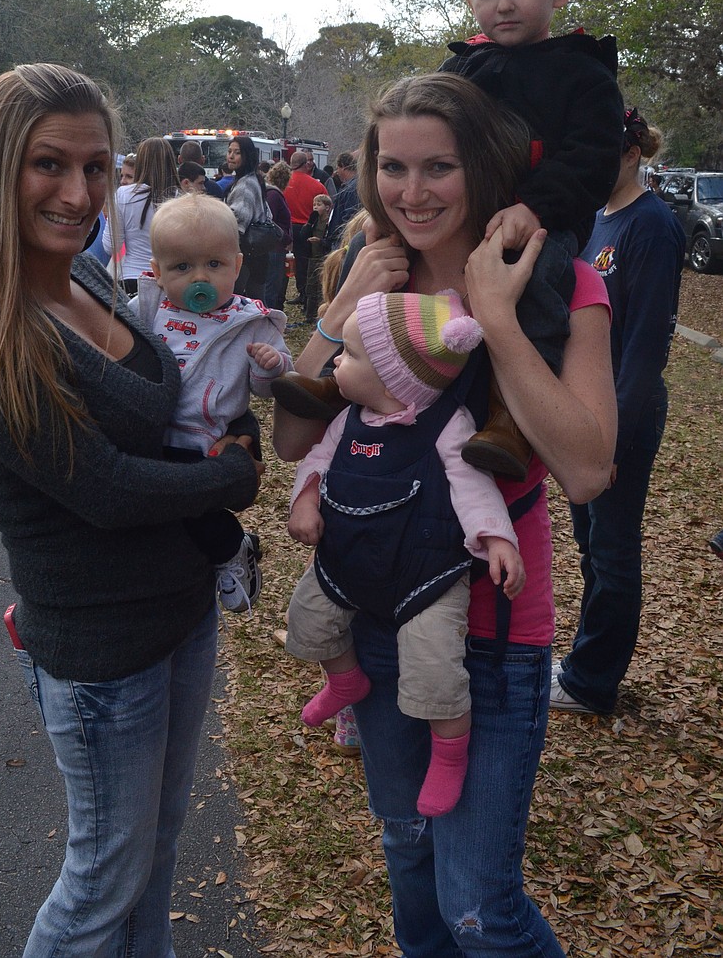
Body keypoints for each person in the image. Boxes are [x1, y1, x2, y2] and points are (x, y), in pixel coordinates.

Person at [0, 63, 262, 958]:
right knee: (103, 879)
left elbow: (180, 396)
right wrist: (231, 477)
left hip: (181, 612)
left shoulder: (94, 279)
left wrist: (242, 408)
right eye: (49, 164)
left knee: (156, 855)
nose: (78, 192)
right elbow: (105, 487)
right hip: (102, 646)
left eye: (97, 167)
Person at [273, 72, 616, 957]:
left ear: (485, 167)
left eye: (439, 167)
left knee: (480, 910)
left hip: (494, 638)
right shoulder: (362, 272)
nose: (412, 192)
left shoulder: (562, 282)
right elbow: (292, 436)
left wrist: (495, 315)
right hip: (376, 616)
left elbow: (587, 469)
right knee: (411, 860)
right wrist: (340, 309)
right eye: (393, 167)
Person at [286, 289, 525, 817]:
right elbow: (316, 461)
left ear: (392, 379)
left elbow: (473, 485)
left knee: (435, 667)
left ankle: (449, 752)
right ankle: (345, 679)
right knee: (308, 618)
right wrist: (305, 499)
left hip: (426, 572)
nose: (337, 363)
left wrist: (497, 539)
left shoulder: (447, 424)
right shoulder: (348, 419)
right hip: (349, 559)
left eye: (349, 354)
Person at [440, 0, 624, 478]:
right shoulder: (461, 70)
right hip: (461, 218)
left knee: (539, 281)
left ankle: (512, 419)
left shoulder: (583, 74)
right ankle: (351, 370)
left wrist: (533, 207)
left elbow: (591, 160)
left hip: (543, 225)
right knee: (377, 255)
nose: (504, 2)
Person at [551, 108, 685, 716]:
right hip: (585, 410)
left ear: (631, 153)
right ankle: (586, 659)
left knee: (613, 550)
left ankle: (592, 682)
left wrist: (613, 441)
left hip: (623, 414)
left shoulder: (651, 226)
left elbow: (646, 349)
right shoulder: (598, 218)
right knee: (590, 544)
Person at [130, 193, 293, 610]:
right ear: (158, 273)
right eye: (182, 267)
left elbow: (266, 389)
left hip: (209, 438)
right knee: (164, 513)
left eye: (214, 265)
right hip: (155, 433)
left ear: (237, 266)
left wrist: (270, 366)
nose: (199, 278)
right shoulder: (147, 310)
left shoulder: (250, 322)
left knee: (197, 512)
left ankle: (232, 550)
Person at [102, 136, 180, 294]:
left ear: (141, 162)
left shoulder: (123, 195)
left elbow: (111, 246)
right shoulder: (183, 199)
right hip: (172, 282)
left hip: (132, 278)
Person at [225, 135, 276, 302]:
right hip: (258, 254)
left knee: (239, 302)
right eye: (229, 151)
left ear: (247, 155)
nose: (231, 156)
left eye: (237, 153)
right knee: (256, 302)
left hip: (246, 255)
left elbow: (237, 223)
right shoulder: (254, 179)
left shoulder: (246, 185)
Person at [283, 151, 328, 307]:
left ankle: (284, 295)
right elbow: (327, 205)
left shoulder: (283, 183)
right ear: (306, 164)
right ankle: (305, 295)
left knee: (286, 264)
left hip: (287, 228)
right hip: (307, 228)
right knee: (305, 264)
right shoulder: (317, 185)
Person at [263, 161, 293, 311]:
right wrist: (286, 237)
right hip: (274, 247)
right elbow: (270, 220)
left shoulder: (270, 193)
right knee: (272, 287)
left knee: (271, 286)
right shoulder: (274, 195)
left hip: (273, 246)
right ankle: (268, 317)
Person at [301, 193, 333, 323]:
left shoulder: (329, 222)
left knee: (321, 287)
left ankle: (321, 315)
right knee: (310, 286)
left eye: (319, 204)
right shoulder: (314, 220)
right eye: (314, 204)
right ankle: (309, 315)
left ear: (327, 207)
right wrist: (309, 222)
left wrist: (321, 241)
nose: (315, 207)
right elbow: (303, 235)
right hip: (312, 256)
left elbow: (331, 240)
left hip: (324, 256)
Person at [325, 152, 362, 251]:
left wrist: (339, 241)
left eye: (338, 168)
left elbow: (349, 217)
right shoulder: (358, 185)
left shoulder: (350, 189)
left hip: (343, 242)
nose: (336, 172)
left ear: (343, 167)